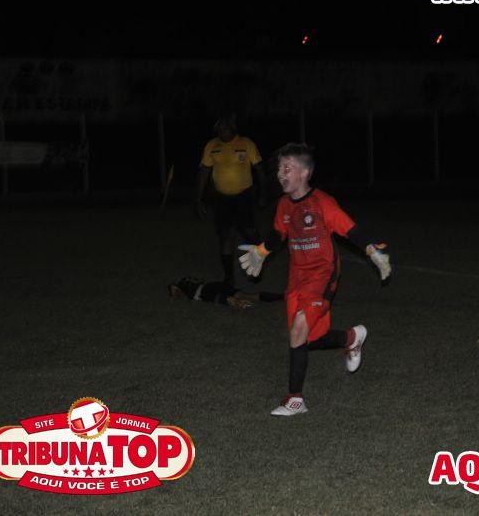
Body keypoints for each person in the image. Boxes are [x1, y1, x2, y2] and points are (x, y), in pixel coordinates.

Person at [238, 143, 392, 416]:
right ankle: (351, 337)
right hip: (297, 276)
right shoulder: (284, 204)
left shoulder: (323, 203)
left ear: (305, 172)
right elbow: (278, 234)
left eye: (288, 168)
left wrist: (373, 251)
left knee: (298, 331)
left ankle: (295, 399)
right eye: (279, 169)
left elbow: (351, 230)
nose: (280, 174)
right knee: (307, 338)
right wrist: (261, 252)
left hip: (323, 274)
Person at [195, 112, 266, 288]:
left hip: (244, 197)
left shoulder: (246, 143)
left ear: (232, 129)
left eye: (225, 128)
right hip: (222, 199)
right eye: (219, 129)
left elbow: (260, 171)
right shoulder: (212, 146)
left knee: (250, 234)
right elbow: (204, 172)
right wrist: (198, 198)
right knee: (226, 236)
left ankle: (255, 268)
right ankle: (229, 277)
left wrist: (263, 194)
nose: (222, 132)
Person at [167, 276, 283, 309]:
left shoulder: (180, 283)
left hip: (205, 291)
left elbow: (174, 295)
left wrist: (174, 295)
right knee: (244, 295)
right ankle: (281, 297)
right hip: (213, 284)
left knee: (228, 300)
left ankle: (243, 304)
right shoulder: (187, 280)